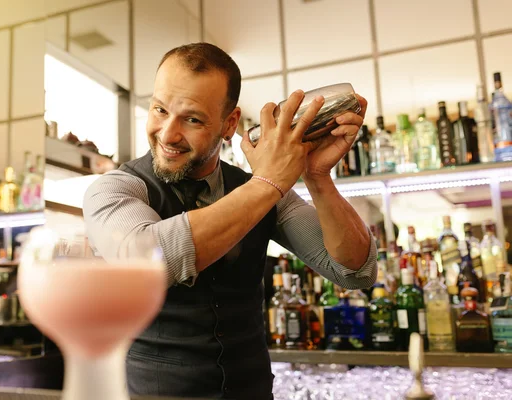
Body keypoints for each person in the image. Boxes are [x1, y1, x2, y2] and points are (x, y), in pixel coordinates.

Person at [83, 43, 377, 400]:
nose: (168, 134)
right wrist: (269, 183)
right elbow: (145, 260)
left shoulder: (262, 190)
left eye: (192, 119)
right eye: (160, 109)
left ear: (229, 124)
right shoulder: (116, 189)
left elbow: (355, 271)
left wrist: (317, 177)